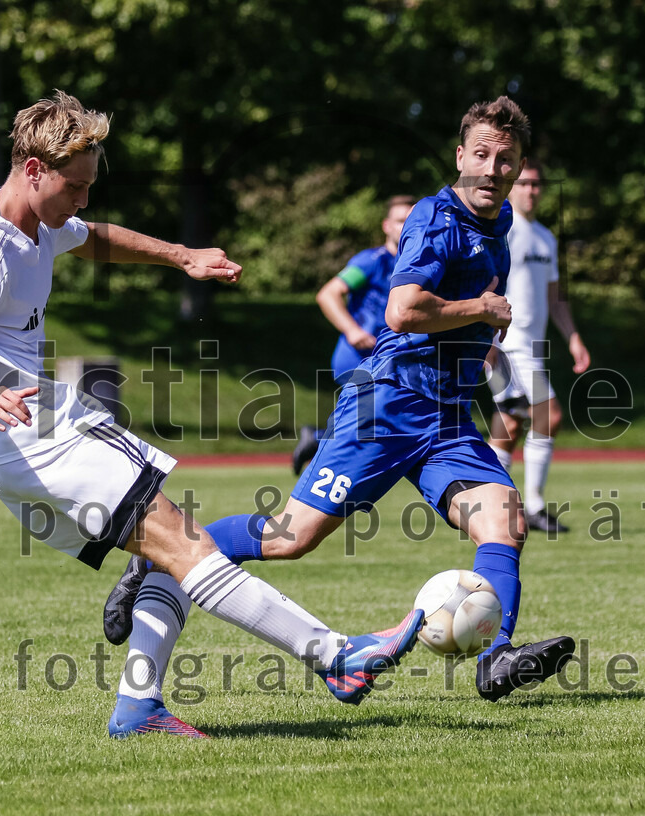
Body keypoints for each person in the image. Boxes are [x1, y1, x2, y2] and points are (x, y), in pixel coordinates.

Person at [0, 91, 424, 739]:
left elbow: (93, 240)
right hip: (35, 437)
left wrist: (183, 256)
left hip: (26, 442)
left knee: (168, 555)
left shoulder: (37, 224)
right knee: (183, 545)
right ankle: (336, 656)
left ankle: (137, 708)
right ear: (34, 170)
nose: (83, 200)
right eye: (76, 185)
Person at [107, 97, 575, 702]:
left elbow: (459, 315)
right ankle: (154, 554)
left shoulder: (501, 224)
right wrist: (483, 310)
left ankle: (496, 656)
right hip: (388, 404)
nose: (491, 169)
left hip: (448, 417)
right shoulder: (435, 219)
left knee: (505, 521)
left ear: (519, 166)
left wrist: (481, 345)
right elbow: (402, 311)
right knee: (291, 537)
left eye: (504, 159)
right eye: (480, 155)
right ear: (460, 157)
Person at [487, 160, 591, 534]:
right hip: (506, 344)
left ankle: (492, 506)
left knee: (511, 424)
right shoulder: (503, 229)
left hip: (533, 346)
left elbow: (555, 296)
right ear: (512, 187)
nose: (531, 191)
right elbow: (485, 282)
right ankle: (531, 506)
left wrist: (572, 336)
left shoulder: (545, 237)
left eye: (536, 185)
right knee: (550, 415)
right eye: (524, 184)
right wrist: (487, 340)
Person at [291, 196, 416, 475]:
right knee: (369, 427)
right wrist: (352, 330)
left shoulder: (416, 263)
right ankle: (321, 454)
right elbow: (328, 293)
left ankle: (319, 442)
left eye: (412, 220)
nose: (406, 226)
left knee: (372, 428)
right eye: (400, 220)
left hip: (389, 361)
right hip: (359, 358)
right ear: (386, 226)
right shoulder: (373, 262)